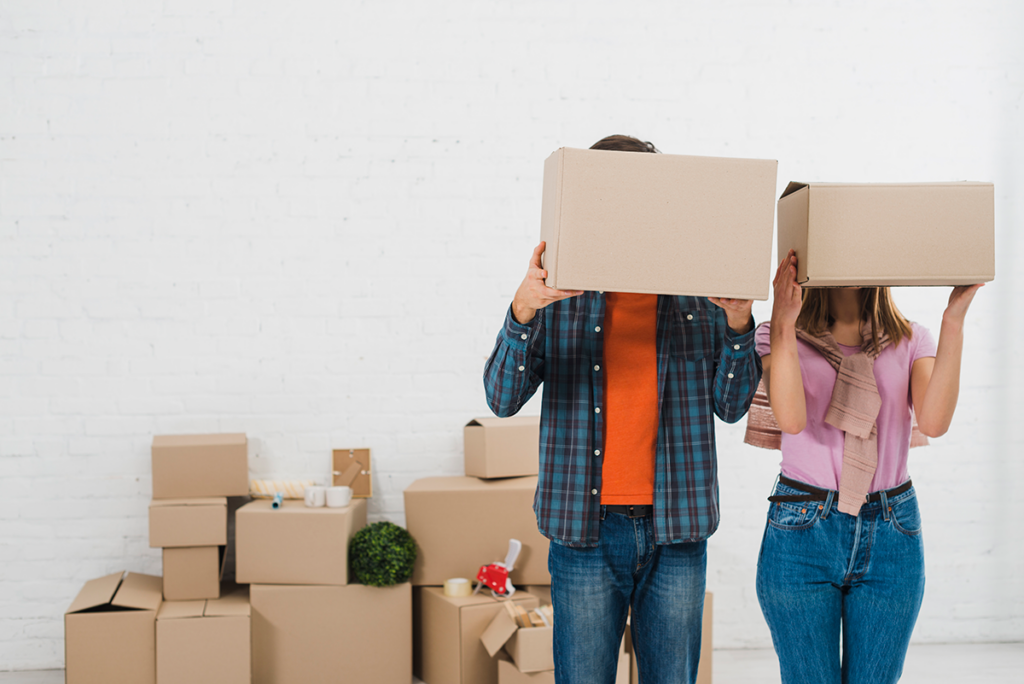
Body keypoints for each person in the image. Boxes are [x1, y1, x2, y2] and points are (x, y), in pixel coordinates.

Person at [483, 134, 762, 684]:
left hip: (675, 531)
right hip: (583, 530)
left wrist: (736, 325)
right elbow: (501, 398)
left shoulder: (697, 293)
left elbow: (731, 408)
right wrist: (521, 310)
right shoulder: (558, 294)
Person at [751, 249, 982, 684]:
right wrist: (783, 320)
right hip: (802, 530)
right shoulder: (777, 337)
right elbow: (792, 420)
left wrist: (954, 320)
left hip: (891, 530)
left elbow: (933, 420)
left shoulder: (913, 340)